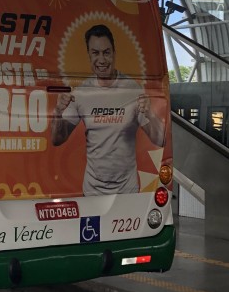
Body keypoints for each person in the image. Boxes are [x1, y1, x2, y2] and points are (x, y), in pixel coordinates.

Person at [50, 24, 165, 195]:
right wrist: (58, 112)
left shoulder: (132, 90)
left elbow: (160, 139)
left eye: (106, 52)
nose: (102, 60)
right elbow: (57, 139)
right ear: (89, 55)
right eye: (95, 53)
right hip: (93, 189)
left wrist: (150, 114)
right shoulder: (81, 93)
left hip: (127, 189)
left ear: (114, 53)